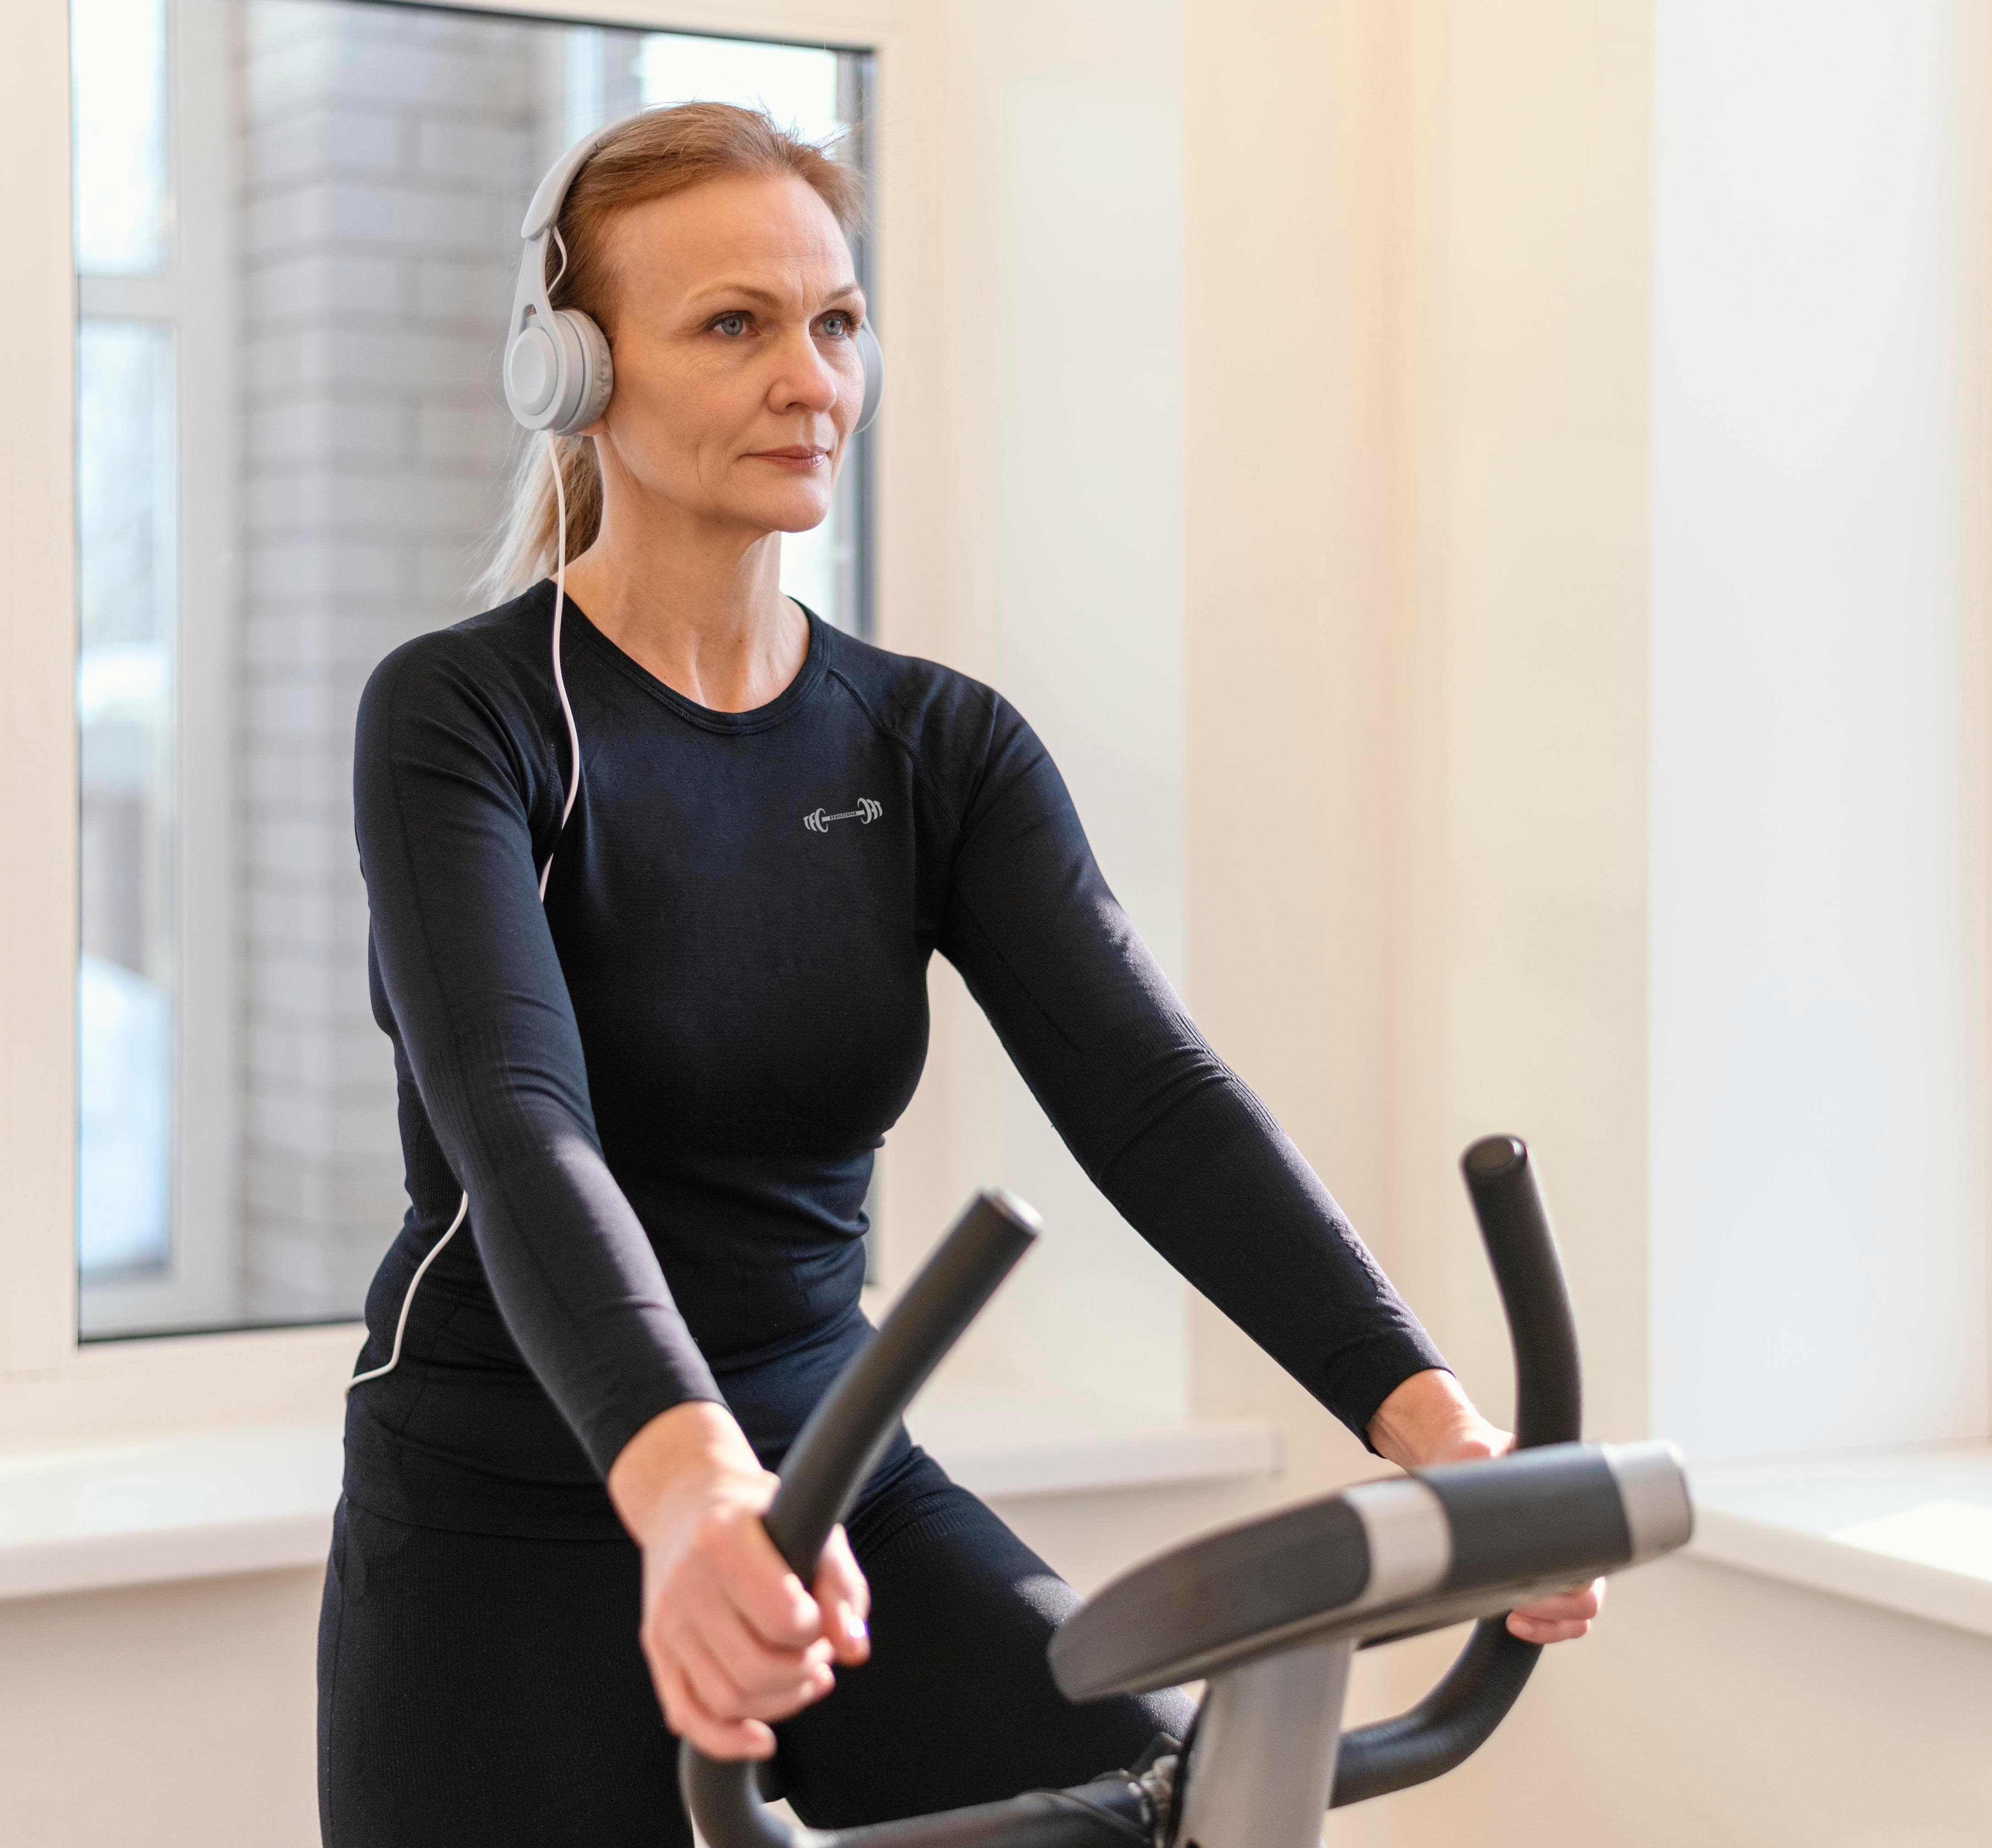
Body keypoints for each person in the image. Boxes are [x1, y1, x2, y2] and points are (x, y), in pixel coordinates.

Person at [316, 101, 1600, 1848]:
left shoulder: (936, 747)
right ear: (574, 371)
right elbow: (521, 1123)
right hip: (511, 1508)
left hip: (835, 1476)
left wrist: (1442, 1430)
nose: (811, 377)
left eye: (836, 321)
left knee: (1174, 1814)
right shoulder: (466, 717)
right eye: (734, 325)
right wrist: (689, 1493)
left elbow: (1153, 1102)